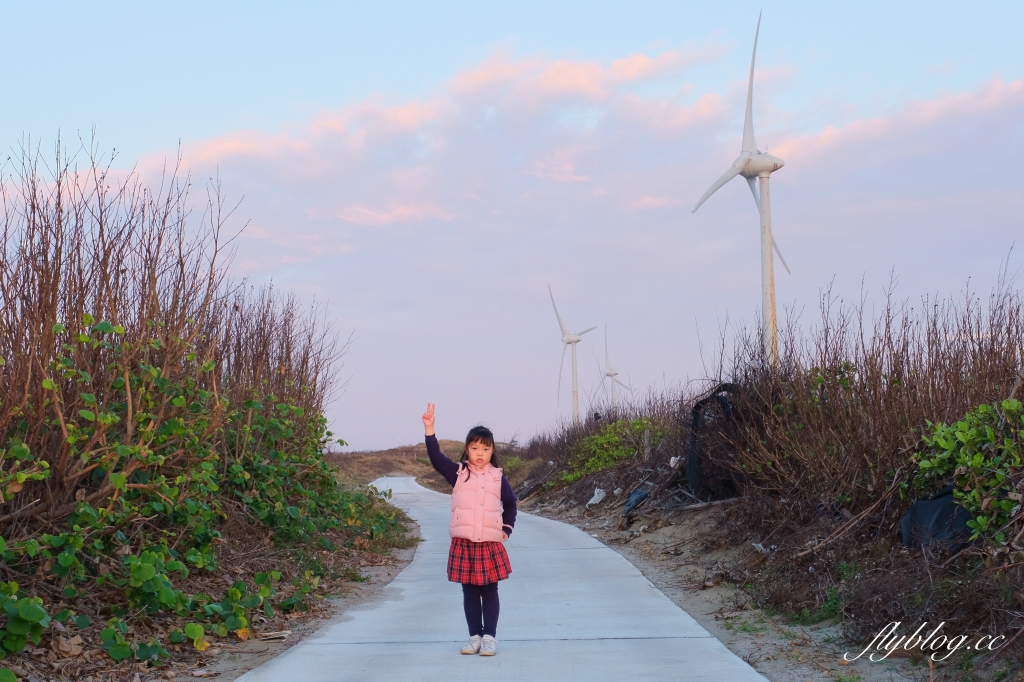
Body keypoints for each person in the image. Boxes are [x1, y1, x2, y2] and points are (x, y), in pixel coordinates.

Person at [421, 403, 517, 656]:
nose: (479, 453)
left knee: (490, 591)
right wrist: (430, 430)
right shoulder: (459, 473)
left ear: (492, 450)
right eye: (474, 448)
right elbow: (437, 460)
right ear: (467, 449)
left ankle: (490, 638)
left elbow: (510, 504)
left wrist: (506, 528)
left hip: (489, 542)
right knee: (470, 592)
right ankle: (474, 636)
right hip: (464, 542)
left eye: (485, 449)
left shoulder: (498, 477)